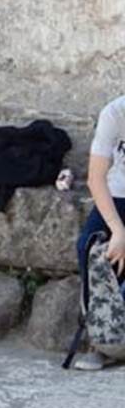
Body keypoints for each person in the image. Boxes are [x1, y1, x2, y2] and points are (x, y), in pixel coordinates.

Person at [73, 94, 125, 369]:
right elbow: (96, 178)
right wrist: (118, 231)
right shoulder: (115, 113)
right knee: (89, 246)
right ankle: (102, 340)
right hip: (118, 195)